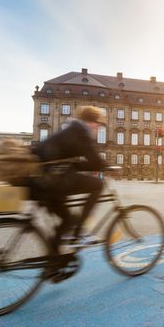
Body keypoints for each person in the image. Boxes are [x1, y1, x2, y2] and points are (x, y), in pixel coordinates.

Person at [30, 105, 106, 251]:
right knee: (98, 185)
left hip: (41, 179)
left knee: (67, 221)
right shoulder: (81, 131)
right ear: (93, 122)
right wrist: (105, 165)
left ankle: (52, 265)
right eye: (98, 124)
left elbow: (75, 164)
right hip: (50, 180)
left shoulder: (72, 128)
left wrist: (84, 166)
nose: (98, 128)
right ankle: (79, 233)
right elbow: (95, 161)